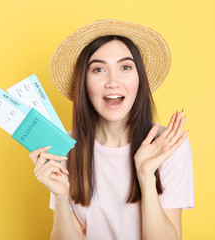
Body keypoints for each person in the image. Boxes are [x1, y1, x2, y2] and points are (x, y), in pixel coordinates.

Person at [28, 19, 194, 240]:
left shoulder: (168, 146)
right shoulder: (64, 147)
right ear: (84, 84)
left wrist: (146, 176)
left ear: (140, 80)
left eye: (125, 67)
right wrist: (60, 198)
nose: (112, 82)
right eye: (99, 69)